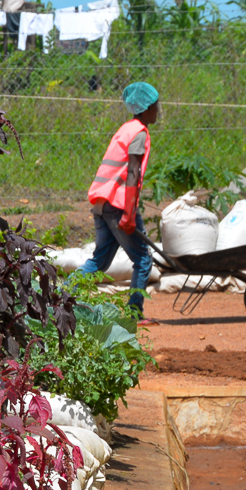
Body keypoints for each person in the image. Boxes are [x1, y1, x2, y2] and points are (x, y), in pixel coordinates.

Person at [76, 81, 159, 315]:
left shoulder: (125, 129)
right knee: (143, 259)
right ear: (146, 108)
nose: (158, 111)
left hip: (102, 203)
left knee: (99, 261)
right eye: (156, 106)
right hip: (118, 204)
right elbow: (132, 174)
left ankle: (60, 297)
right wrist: (130, 214)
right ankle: (134, 313)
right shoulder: (139, 133)